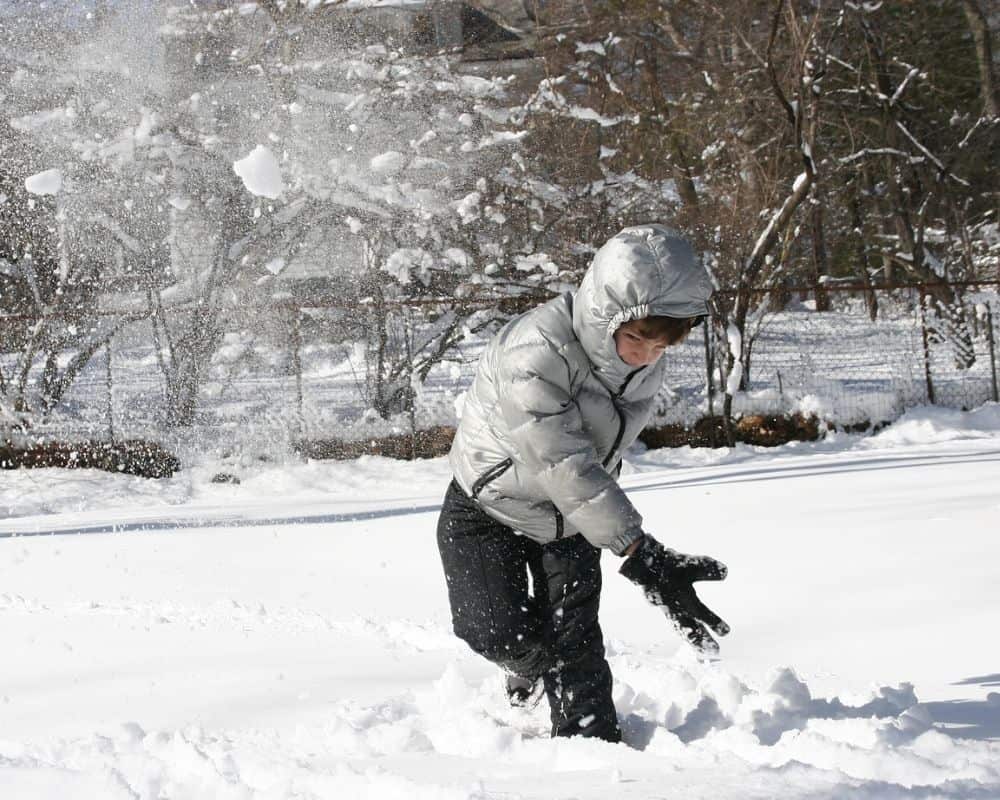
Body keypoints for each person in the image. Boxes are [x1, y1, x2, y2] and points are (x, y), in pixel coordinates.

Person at [436, 224, 730, 743]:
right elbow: (563, 459)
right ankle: (526, 668)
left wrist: (622, 541)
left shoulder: (639, 365)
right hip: (490, 505)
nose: (645, 354)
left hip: (571, 519)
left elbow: (592, 463)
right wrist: (639, 551)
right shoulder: (536, 350)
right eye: (636, 337)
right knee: (496, 632)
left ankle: (593, 756)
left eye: (661, 343)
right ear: (602, 313)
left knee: (575, 642)